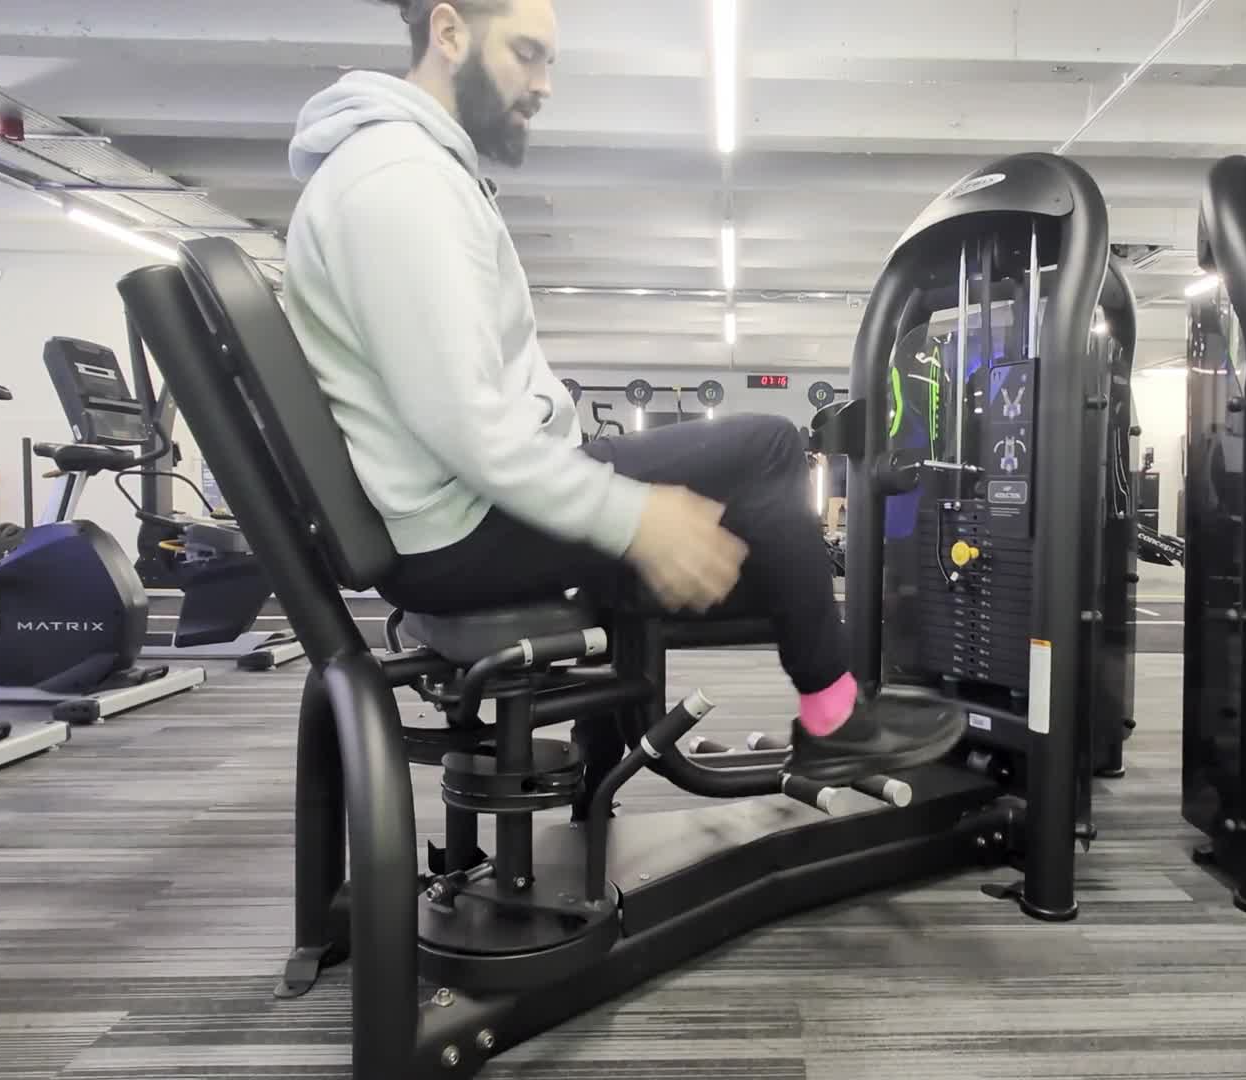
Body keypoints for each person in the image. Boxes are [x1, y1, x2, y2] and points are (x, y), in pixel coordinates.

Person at [281, 0, 962, 783]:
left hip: (448, 518)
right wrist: (631, 516)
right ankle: (834, 717)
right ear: (449, 32)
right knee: (770, 448)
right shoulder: (401, 182)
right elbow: (467, 428)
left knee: (753, 506)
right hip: (452, 531)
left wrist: (631, 510)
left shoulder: (404, 170)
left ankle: (605, 763)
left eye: (549, 62)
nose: (543, 83)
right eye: (526, 53)